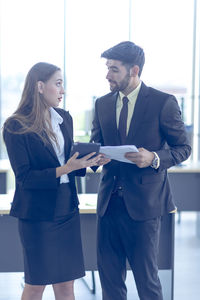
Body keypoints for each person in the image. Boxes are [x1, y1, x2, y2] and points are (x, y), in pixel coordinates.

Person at [90, 41, 191, 300]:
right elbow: (95, 144)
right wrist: (92, 158)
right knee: (110, 282)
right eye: (107, 68)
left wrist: (155, 157)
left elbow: (183, 147)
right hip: (108, 204)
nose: (107, 75)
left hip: (145, 208)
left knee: (147, 281)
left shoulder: (162, 103)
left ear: (133, 70)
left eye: (114, 69)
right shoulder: (102, 104)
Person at [3, 62, 102, 300]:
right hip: (37, 214)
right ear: (39, 86)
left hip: (67, 207)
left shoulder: (64, 119)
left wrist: (90, 162)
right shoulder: (15, 126)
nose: (62, 90)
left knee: (66, 285)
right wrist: (65, 168)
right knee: (37, 284)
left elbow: (70, 164)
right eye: (58, 84)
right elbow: (25, 178)